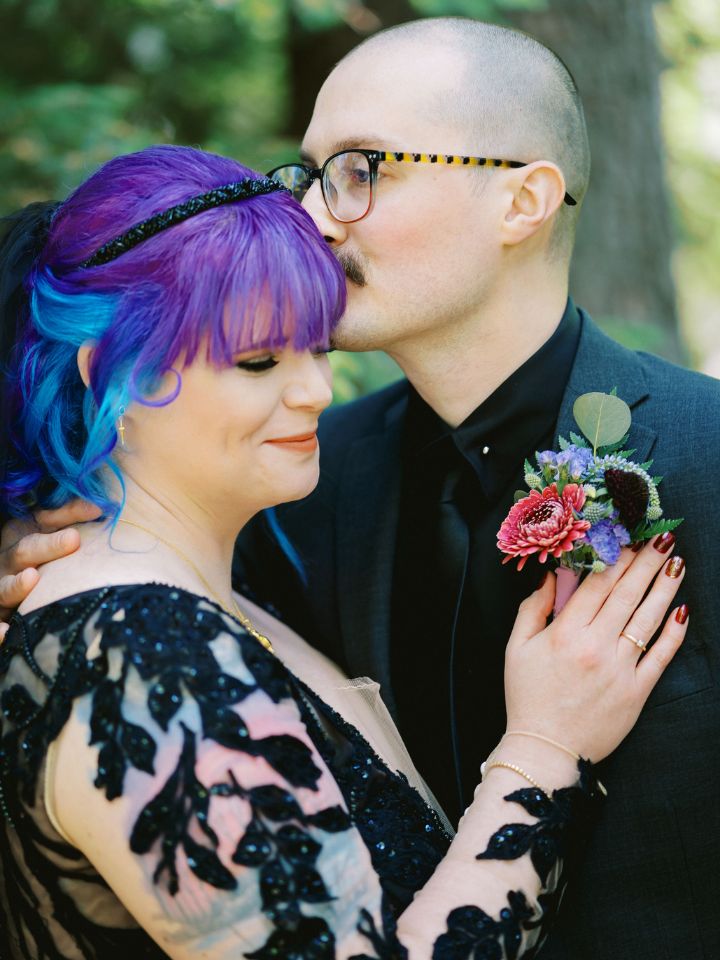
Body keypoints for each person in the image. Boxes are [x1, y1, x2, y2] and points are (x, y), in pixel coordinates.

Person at [1, 15, 717, 957]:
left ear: (523, 201)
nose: (316, 212)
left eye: (365, 167)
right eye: (312, 170)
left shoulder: (705, 454)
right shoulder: (286, 483)